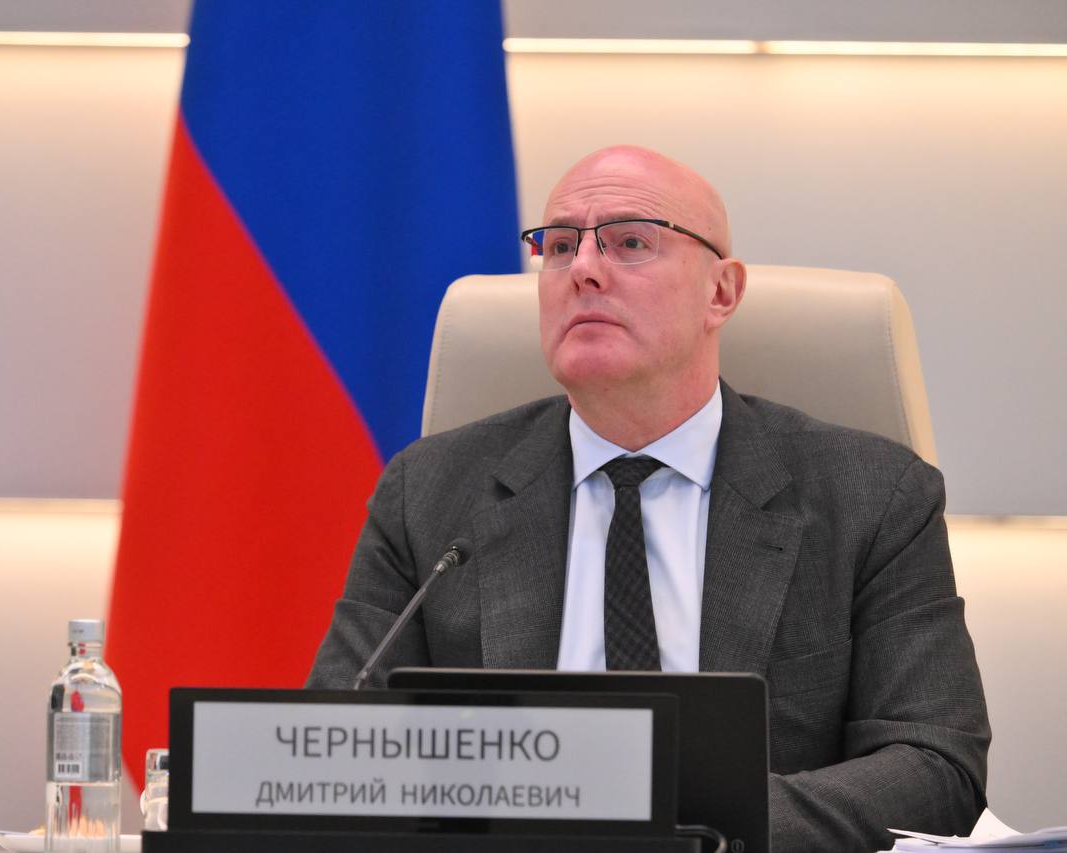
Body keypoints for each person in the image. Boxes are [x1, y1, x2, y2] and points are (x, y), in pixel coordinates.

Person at [307, 145, 989, 853]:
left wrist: (687, 829)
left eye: (630, 242)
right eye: (560, 246)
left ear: (721, 292)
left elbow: (937, 767)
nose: (584, 269)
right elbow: (335, 751)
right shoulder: (428, 493)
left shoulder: (872, 496)